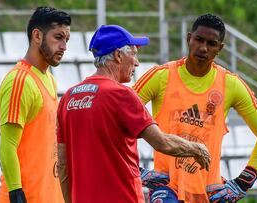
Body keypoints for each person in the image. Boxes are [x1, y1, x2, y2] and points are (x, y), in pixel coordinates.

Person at [56, 24, 211, 203]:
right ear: (118, 55)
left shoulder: (69, 97)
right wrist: (197, 149)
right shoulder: (121, 94)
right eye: (134, 53)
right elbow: (162, 143)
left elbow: (62, 164)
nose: (137, 62)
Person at [133, 13, 257, 203]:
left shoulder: (230, 84)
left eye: (211, 43)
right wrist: (137, 170)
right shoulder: (161, 76)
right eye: (199, 39)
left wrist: (243, 182)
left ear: (220, 48)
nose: (203, 48)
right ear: (188, 39)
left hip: (210, 191)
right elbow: (117, 119)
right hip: (167, 187)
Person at [0, 7, 71, 203]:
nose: (64, 46)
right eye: (58, 37)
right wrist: (15, 193)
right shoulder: (19, 81)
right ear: (37, 35)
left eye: (66, 40)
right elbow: (7, 145)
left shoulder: (49, 79)